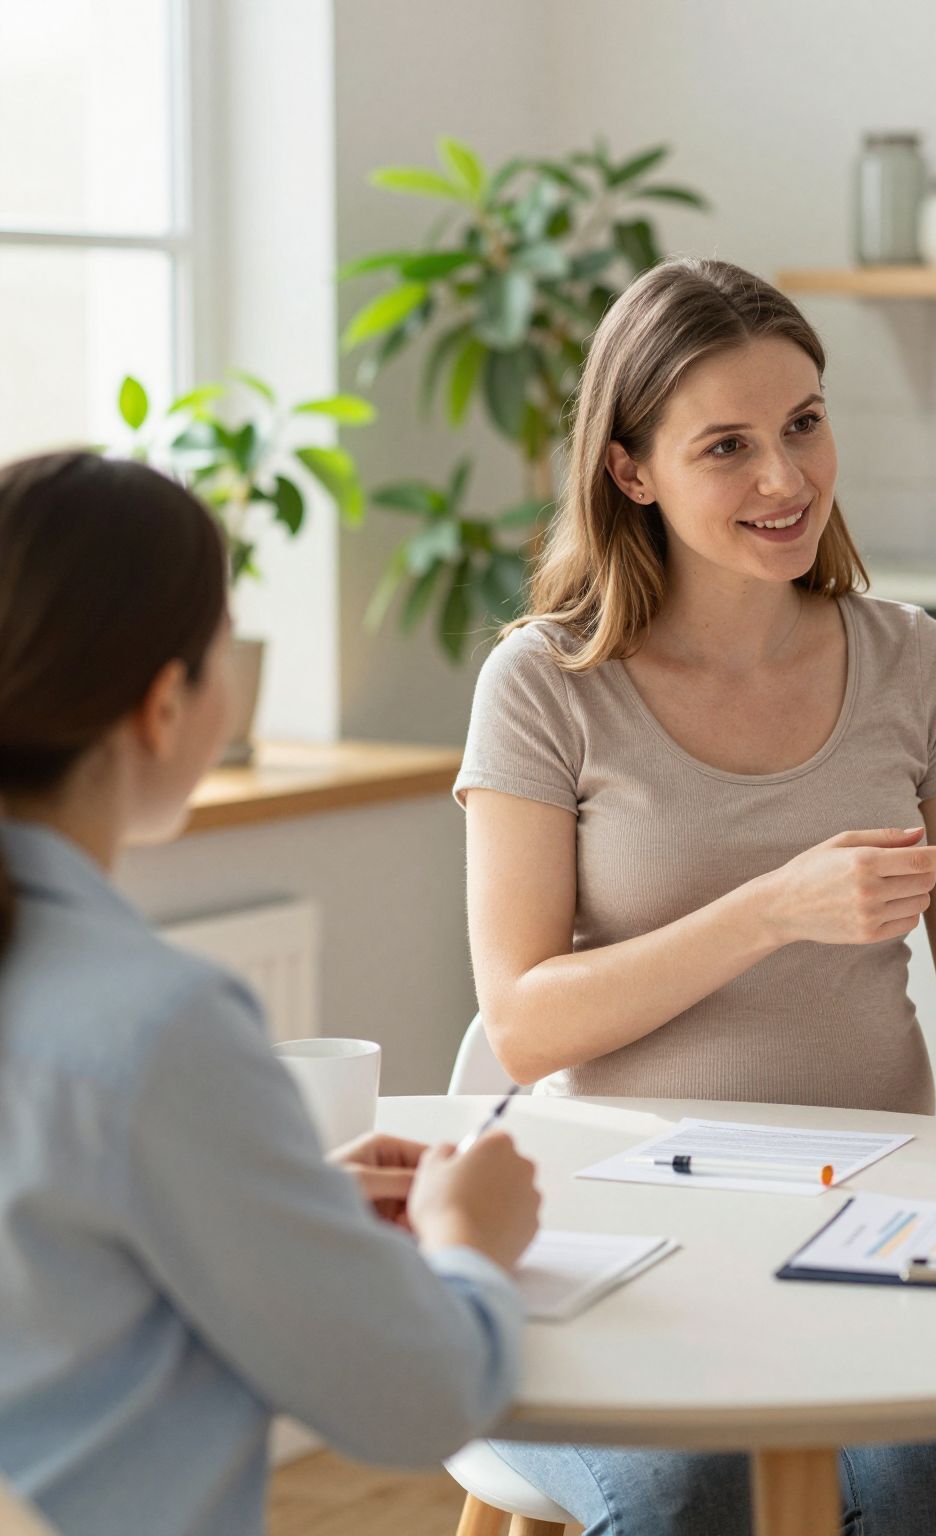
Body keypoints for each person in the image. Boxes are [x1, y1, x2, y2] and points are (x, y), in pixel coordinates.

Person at [457, 257, 936, 1535]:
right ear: (630, 469)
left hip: (873, 1230)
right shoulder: (545, 684)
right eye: (728, 446)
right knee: (689, 1494)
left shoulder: (916, 663)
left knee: (926, 1488)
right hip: (623, 1237)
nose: (785, 480)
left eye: (804, 423)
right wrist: (769, 908)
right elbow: (522, 1024)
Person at [0, 452, 544, 1536]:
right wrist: (467, 1242)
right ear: (165, 705)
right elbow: (416, 1400)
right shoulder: (156, 1025)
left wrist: (277, 1203)